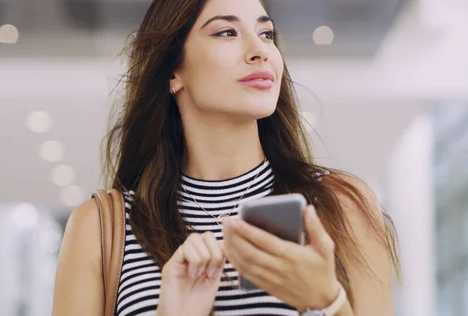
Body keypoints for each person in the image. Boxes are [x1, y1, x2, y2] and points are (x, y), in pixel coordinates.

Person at [52, 0, 400, 315]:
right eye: (227, 32)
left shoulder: (341, 205)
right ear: (173, 70)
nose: (260, 50)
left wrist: (329, 301)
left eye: (266, 33)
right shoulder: (101, 229)